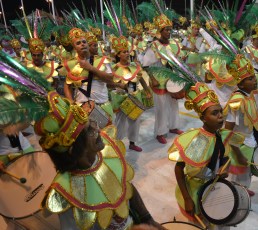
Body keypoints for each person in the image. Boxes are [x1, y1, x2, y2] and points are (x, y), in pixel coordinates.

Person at [34, 91, 163, 229]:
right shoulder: (67, 194)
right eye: (89, 130)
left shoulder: (105, 154)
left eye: (92, 123)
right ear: (73, 150)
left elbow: (126, 186)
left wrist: (147, 219)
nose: (97, 128)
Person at [168, 82, 247, 230]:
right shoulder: (195, 140)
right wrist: (187, 198)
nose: (220, 116)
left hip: (215, 186)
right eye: (214, 113)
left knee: (221, 222)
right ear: (203, 118)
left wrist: (225, 170)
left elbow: (225, 158)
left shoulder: (223, 136)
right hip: (195, 189)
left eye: (220, 112)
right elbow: (179, 169)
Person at [224, 55, 258, 196]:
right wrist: (237, 153)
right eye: (250, 79)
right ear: (241, 84)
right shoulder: (237, 101)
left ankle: (242, 189)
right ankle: (235, 195)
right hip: (240, 145)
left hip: (250, 140)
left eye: (253, 77)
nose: (255, 80)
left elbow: (249, 118)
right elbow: (228, 131)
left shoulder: (249, 96)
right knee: (237, 172)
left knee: (246, 171)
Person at [142, 14, 184, 144]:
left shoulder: (173, 44)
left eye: (170, 29)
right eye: (166, 29)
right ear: (160, 32)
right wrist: (153, 79)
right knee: (161, 108)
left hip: (172, 81)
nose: (168, 32)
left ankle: (173, 126)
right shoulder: (154, 46)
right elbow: (146, 65)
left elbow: (178, 62)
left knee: (173, 105)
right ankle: (160, 132)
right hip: (159, 82)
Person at [61, 28, 115, 125]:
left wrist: (90, 68)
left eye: (84, 42)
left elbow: (110, 80)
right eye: (78, 43)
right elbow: (67, 85)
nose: (82, 44)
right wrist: (71, 102)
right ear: (74, 48)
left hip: (102, 106)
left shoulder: (102, 60)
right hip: (81, 108)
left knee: (106, 137)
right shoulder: (71, 64)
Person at [111, 35, 152, 152]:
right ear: (118, 55)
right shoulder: (113, 68)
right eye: (124, 52)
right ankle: (116, 145)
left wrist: (147, 90)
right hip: (121, 97)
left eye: (127, 51)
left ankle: (132, 143)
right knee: (119, 122)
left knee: (135, 120)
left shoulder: (134, 66)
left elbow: (142, 79)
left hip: (134, 95)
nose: (127, 54)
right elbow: (110, 83)